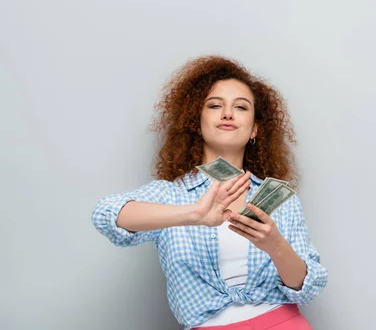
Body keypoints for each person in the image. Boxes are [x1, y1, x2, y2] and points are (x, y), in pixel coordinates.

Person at [91, 55, 328, 329]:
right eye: (215, 105)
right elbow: (105, 215)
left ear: (255, 130)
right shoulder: (171, 196)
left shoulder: (282, 202)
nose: (227, 113)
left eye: (241, 107)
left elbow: (309, 287)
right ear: (197, 122)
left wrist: (275, 246)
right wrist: (194, 214)